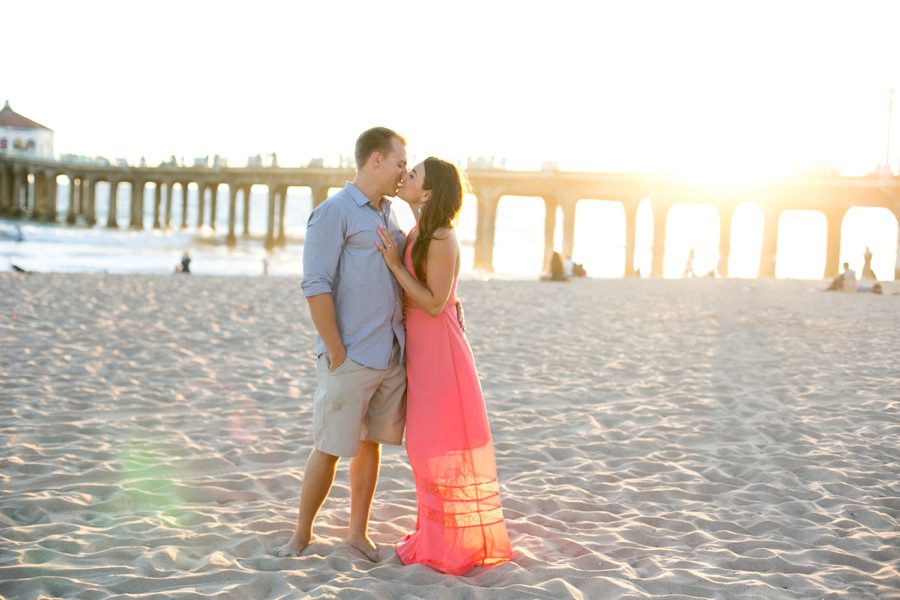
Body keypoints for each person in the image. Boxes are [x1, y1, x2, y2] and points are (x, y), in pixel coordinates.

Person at [274, 127, 409, 561]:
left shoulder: (391, 214)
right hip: (349, 353)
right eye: (399, 163)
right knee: (330, 447)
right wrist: (335, 351)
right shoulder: (334, 212)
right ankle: (301, 534)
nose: (404, 173)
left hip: (388, 352)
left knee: (369, 445)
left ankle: (356, 532)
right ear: (375, 160)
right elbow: (315, 285)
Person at [375, 157, 513, 575]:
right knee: (424, 446)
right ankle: (435, 534)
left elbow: (435, 303)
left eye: (413, 175)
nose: (405, 177)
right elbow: (445, 293)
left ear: (429, 192)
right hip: (425, 348)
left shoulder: (440, 235)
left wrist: (395, 266)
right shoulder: (421, 230)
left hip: (439, 353)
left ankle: (451, 543)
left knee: (434, 444)